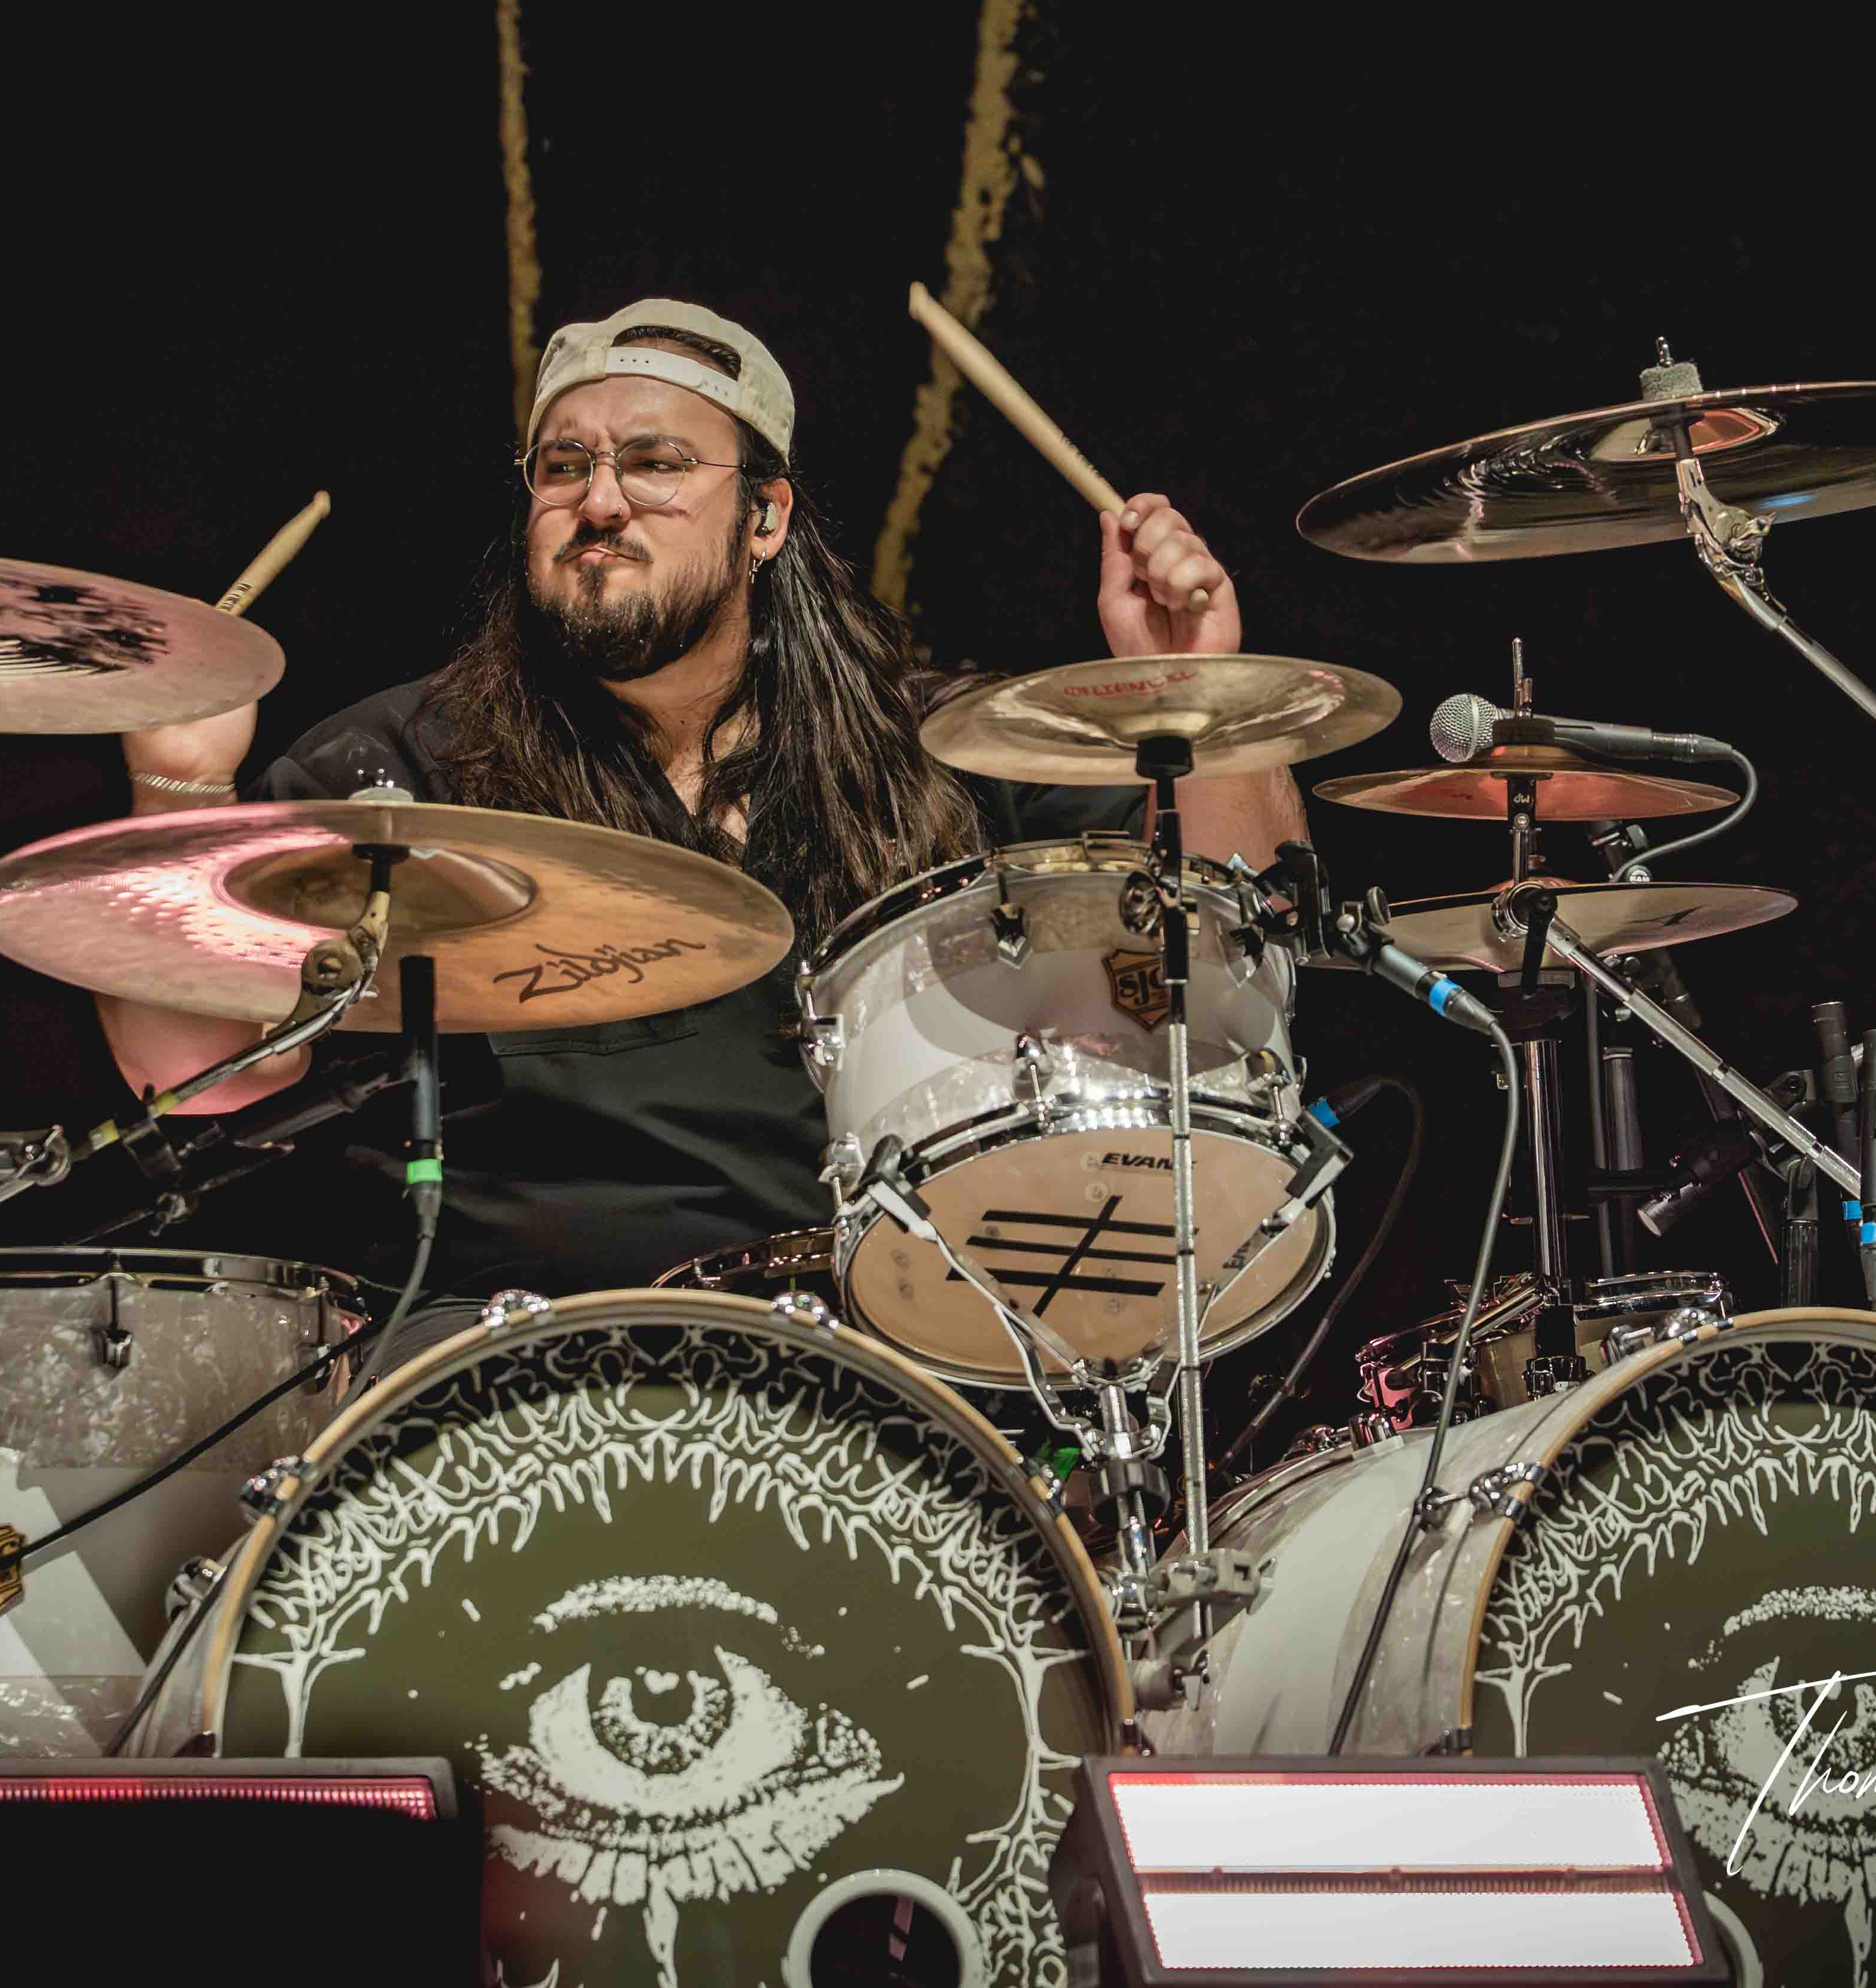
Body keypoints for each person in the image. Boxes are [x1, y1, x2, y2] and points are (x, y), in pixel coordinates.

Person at [103, 299, 1307, 1367]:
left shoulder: (947, 748)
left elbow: (1232, 951)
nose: (600, 501)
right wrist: (178, 787)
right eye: (563, 467)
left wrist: (1201, 690)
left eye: (656, 463)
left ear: (766, 515)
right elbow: (196, 1077)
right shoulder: (400, 768)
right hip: (491, 1370)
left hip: (886, 1363)